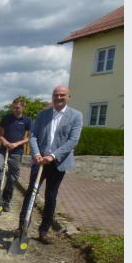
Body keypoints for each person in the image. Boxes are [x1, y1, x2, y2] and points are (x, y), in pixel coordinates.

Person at [18, 85, 83, 243]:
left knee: (51, 196)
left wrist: (53, 156)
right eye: (56, 95)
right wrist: (37, 154)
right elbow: (33, 136)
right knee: (31, 193)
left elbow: (72, 141)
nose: (58, 98)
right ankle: (22, 227)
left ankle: (44, 231)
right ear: (52, 97)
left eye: (62, 95)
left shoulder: (76, 116)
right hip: (39, 161)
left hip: (58, 162)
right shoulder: (43, 115)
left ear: (68, 97)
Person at [0, 97, 32, 211]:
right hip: (3, 150)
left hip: (17, 152)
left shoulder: (27, 121)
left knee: (12, 178)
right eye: (13, 107)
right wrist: (4, 141)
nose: (15, 109)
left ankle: (6, 201)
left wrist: (16, 144)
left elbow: (30, 137)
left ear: (23, 107)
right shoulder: (6, 118)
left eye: (17, 107)